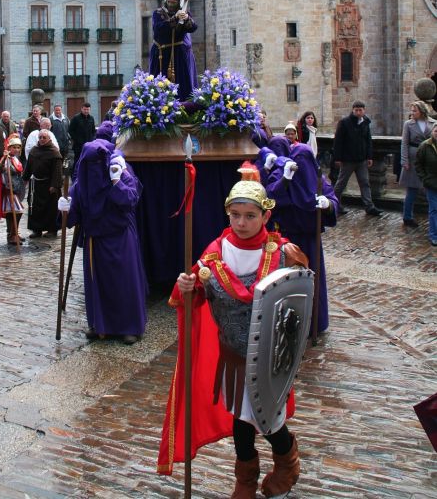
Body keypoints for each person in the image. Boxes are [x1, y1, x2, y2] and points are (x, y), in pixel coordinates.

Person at [157, 169, 308, 498]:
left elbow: (299, 309)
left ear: (266, 215)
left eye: (250, 216)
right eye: (235, 215)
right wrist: (187, 286)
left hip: (270, 360)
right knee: (241, 419)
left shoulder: (285, 254)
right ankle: (245, 479)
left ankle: (287, 462)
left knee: (269, 420)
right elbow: (191, 297)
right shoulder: (214, 254)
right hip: (233, 357)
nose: (241, 222)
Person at [59, 130, 147, 344]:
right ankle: (100, 325)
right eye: (89, 164)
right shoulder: (83, 182)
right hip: (94, 240)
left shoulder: (120, 171)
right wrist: (64, 210)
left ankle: (130, 326)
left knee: (124, 281)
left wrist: (117, 183)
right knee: (98, 284)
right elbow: (72, 216)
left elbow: (131, 200)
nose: (94, 168)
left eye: (97, 163)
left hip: (120, 236)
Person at [260, 138, 338, 333]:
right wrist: (285, 181)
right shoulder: (282, 175)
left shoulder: (318, 180)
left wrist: (328, 205)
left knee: (312, 279)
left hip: (310, 239)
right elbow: (270, 199)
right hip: (286, 240)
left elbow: (332, 198)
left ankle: (314, 321)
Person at [332, 100, 382, 216]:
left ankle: (369, 206)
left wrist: (369, 156)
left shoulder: (365, 122)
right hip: (348, 160)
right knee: (341, 184)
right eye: (356, 110)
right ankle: (334, 204)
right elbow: (338, 141)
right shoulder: (345, 122)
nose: (359, 112)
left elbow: (368, 140)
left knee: (365, 183)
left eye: (360, 110)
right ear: (353, 110)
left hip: (361, 160)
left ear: (364, 110)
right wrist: (338, 158)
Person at [148, 0, 197, 102]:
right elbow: (159, 29)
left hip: (178, 55)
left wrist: (187, 19)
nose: (171, 3)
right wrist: (175, 18)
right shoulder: (158, 13)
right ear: (166, 1)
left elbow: (193, 28)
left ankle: (185, 107)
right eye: (169, 0)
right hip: (161, 54)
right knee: (159, 85)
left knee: (182, 85)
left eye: (174, 1)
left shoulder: (184, 13)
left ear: (178, 2)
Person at [399, 101, 435, 228]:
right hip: (413, 158)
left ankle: (432, 215)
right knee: (412, 190)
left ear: (422, 111)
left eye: (415, 111)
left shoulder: (433, 123)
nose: (412, 113)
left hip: (429, 159)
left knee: (431, 189)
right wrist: (404, 161)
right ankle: (407, 216)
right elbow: (404, 143)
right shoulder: (408, 124)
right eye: (412, 110)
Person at [22, 130, 63, 238]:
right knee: (35, 208)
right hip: (36, 184)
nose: (41, 139)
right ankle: (37, 230)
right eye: (40, 137)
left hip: (49, 184)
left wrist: (55, 185)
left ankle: (52, 230)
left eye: (44, 137)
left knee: (51, 209)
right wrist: (25, 179)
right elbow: (29, 167)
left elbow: (57, 171)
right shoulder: (34, 151)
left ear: (49, 139)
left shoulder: (54, 153)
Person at [0, 136, 26, 244]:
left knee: (12, 213)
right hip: (9, 189)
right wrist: (4, 161)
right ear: (9, 148)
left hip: (16, 188)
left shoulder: (15, 158)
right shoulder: (6, 159)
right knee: (18, 211)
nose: (16, 149)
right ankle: (12, 234)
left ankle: (13, 234)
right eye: (14, 147)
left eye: (18, 147)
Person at [415, 123, 437, 247]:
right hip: (431, 183)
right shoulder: (425, 146)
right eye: (436, 131)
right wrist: (424, 179)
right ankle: (434, 235)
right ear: (432, 132)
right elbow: (418, 164)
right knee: (434, 209)